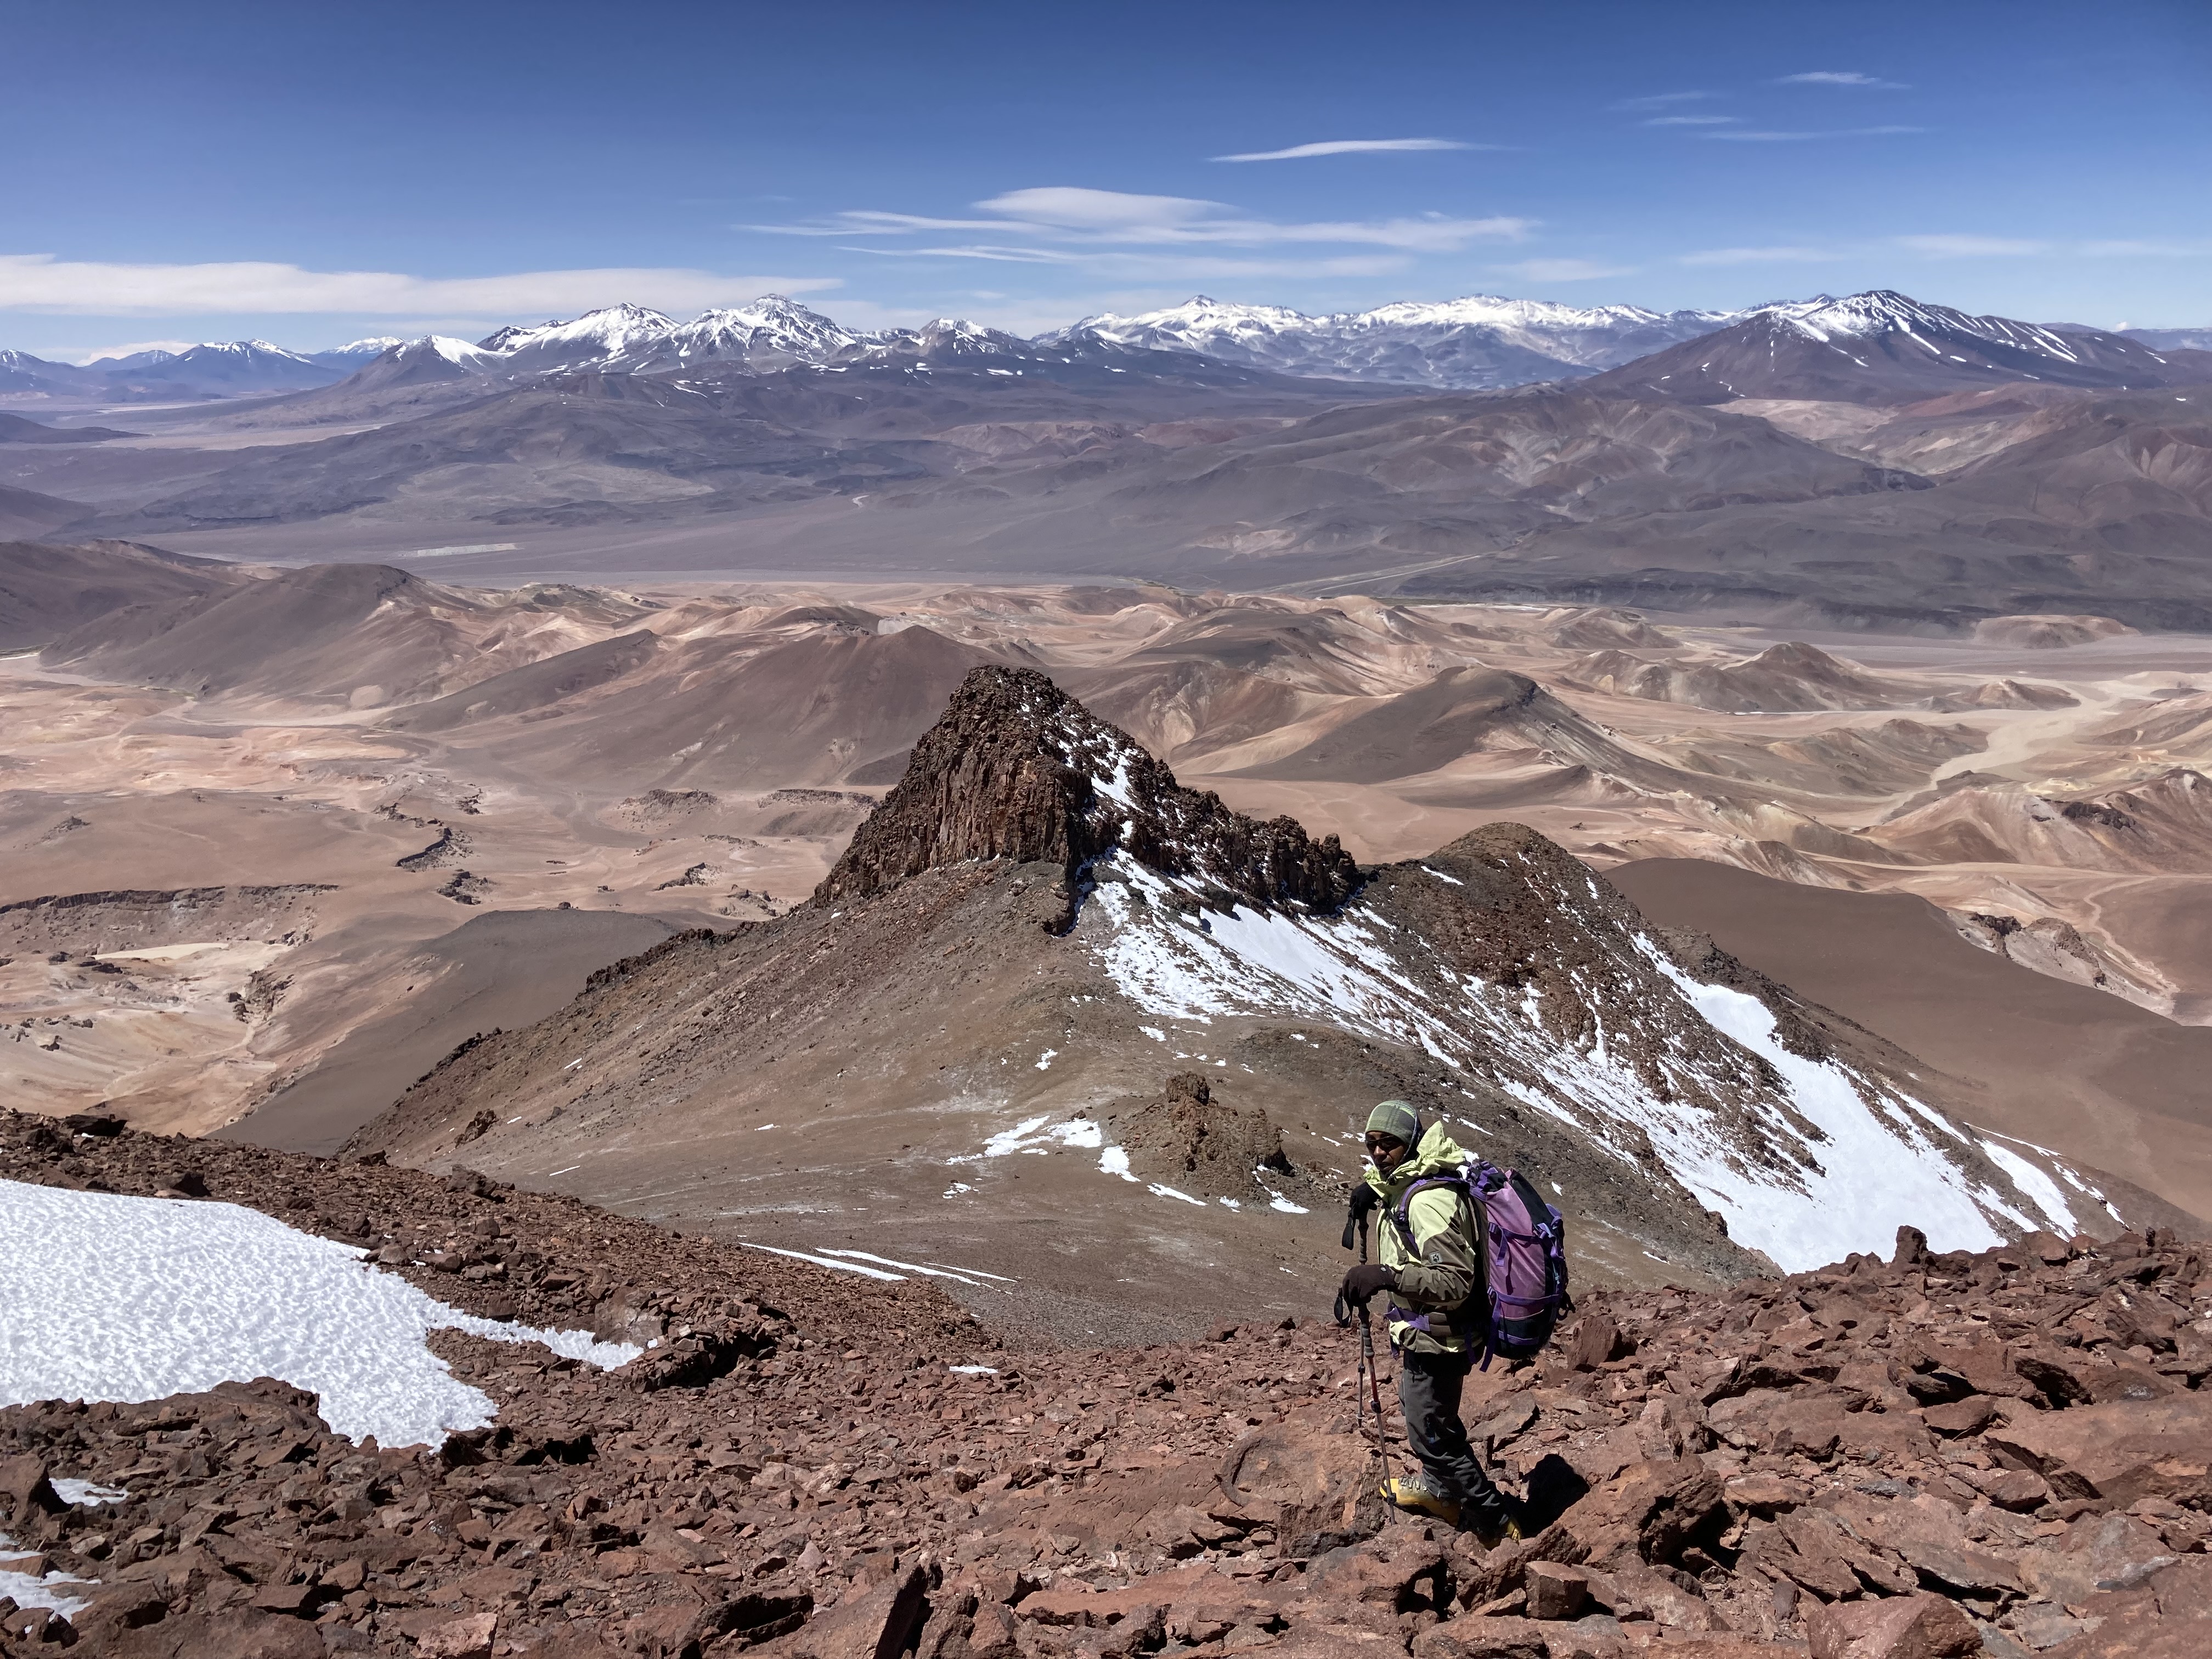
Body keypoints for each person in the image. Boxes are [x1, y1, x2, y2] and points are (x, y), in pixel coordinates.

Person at [1338, 1098, 1521, 1544]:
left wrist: (1386, 1275)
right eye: (1372, 1144)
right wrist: (1374, 1190)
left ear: (1413, 1143)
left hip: (1439, 1340)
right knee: (1430, 1415)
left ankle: (1497, 1522)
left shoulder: (1428, 1203)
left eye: (1391, 1144)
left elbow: (1454, 1280)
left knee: (1431, 1435)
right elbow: (1400, 1183)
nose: (1380, 1153)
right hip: (1432, 1332)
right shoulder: (1416, 1181)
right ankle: (1438, 1490)